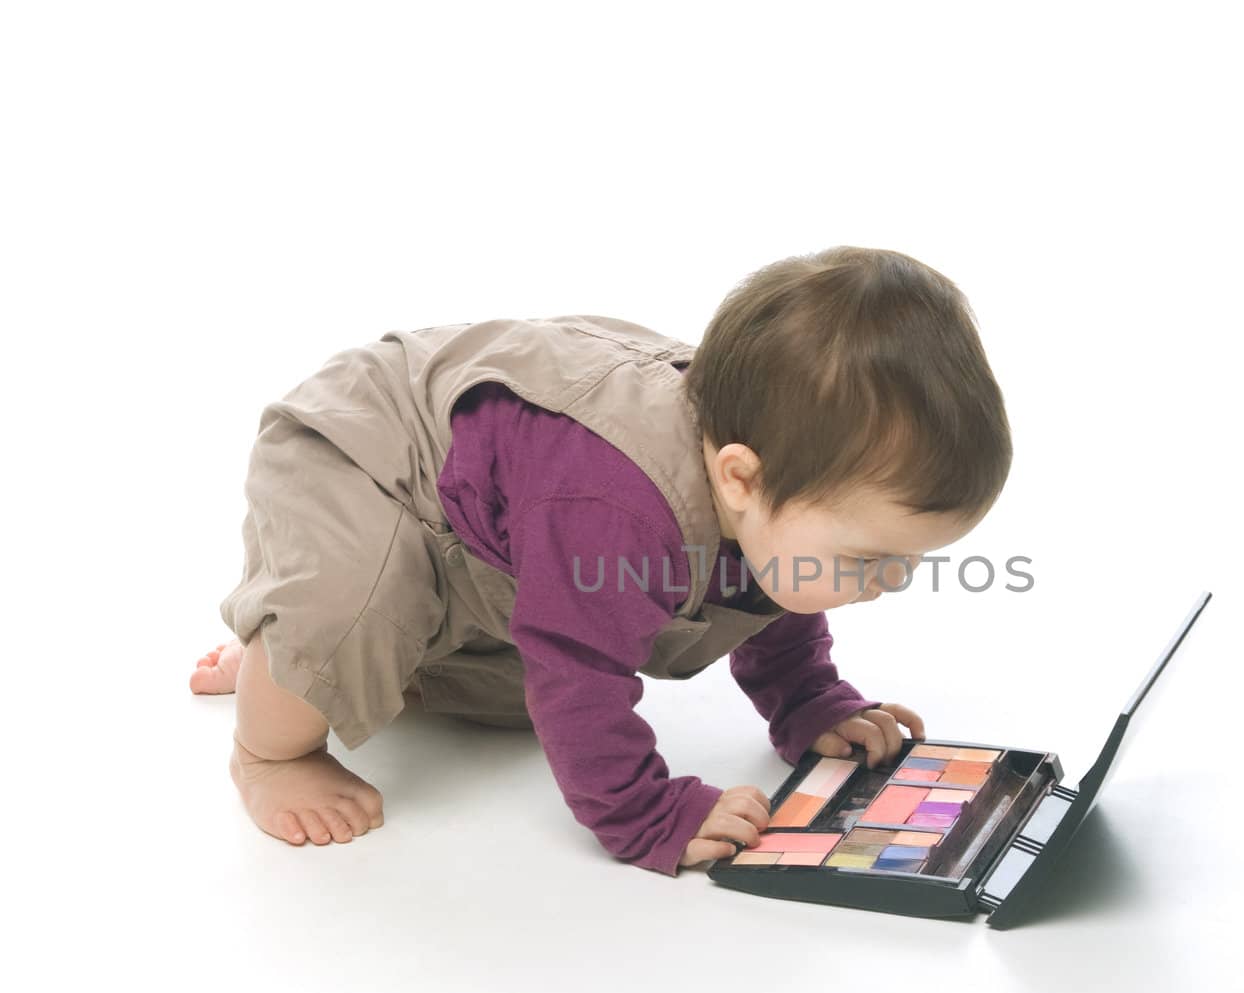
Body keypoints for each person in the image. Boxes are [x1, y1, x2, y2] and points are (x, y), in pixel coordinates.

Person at [190, 245, 1012, 875]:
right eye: (870, 558)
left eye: (908, 561)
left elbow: (770, 582)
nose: (891, 583)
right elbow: (579, 670)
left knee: (513, 698)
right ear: (739, 476)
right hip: (371, 458)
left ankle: (285, 653)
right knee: (355, 613)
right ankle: (274, 732)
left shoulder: (767, 483)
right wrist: (647, 814)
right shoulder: (617, 506)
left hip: (496, 534)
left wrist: (808, 701)